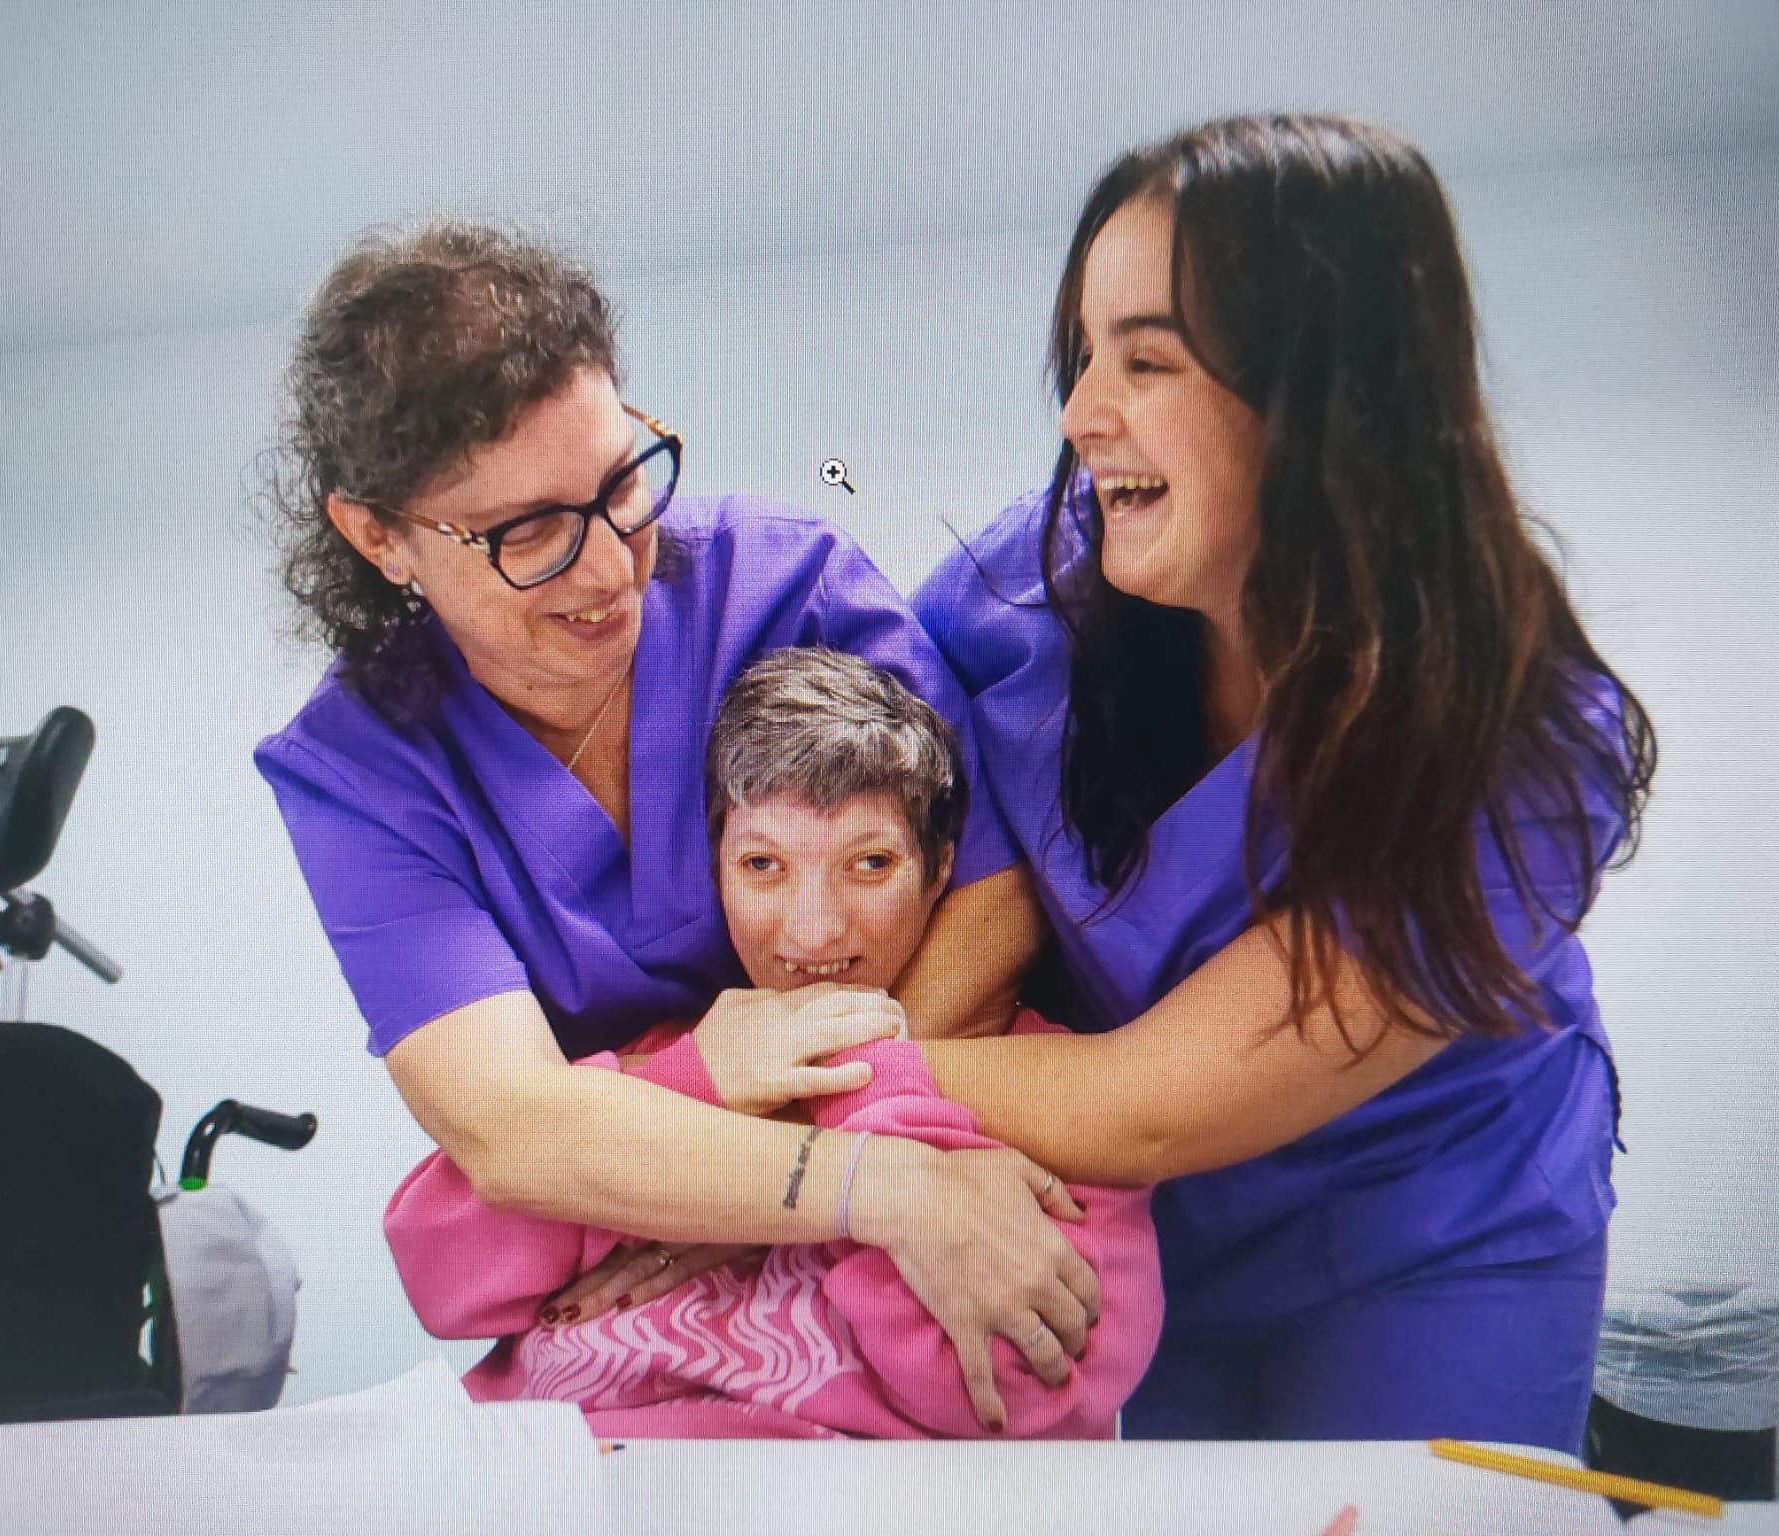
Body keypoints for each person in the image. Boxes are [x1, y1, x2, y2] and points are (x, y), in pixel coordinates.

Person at [252, 222, 1096, 1434]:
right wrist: (845, 1184)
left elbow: (990, 892)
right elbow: (507, 1127)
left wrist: (779, 1175)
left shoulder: (787, 586)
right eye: (527, 532)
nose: (610, 569)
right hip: (646, 1267)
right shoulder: (358, 771)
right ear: (379, 536)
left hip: (887, 1170)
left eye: (621, 483)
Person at [902, 114, 1656, 1451]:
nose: (1079, 415)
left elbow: (1143, 1106)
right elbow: (844, 783)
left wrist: (816, 1085)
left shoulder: (1523, 752)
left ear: (1330, 403)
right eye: (1083, 355)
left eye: (1146, 359)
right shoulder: (1023, 597)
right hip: (1155, 1240)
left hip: (1434, 1231)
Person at [382, 648, 1163, 1439]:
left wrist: (860, 1090)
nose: (814, 930)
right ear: (717, 872)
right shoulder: (695, 1052)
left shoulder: (1041, 1092)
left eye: (870, 863)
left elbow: (1010, 1391)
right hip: (544, 1472)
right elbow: (440, 1273)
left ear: (939, 873)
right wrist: (696, 1080)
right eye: (763, 865)